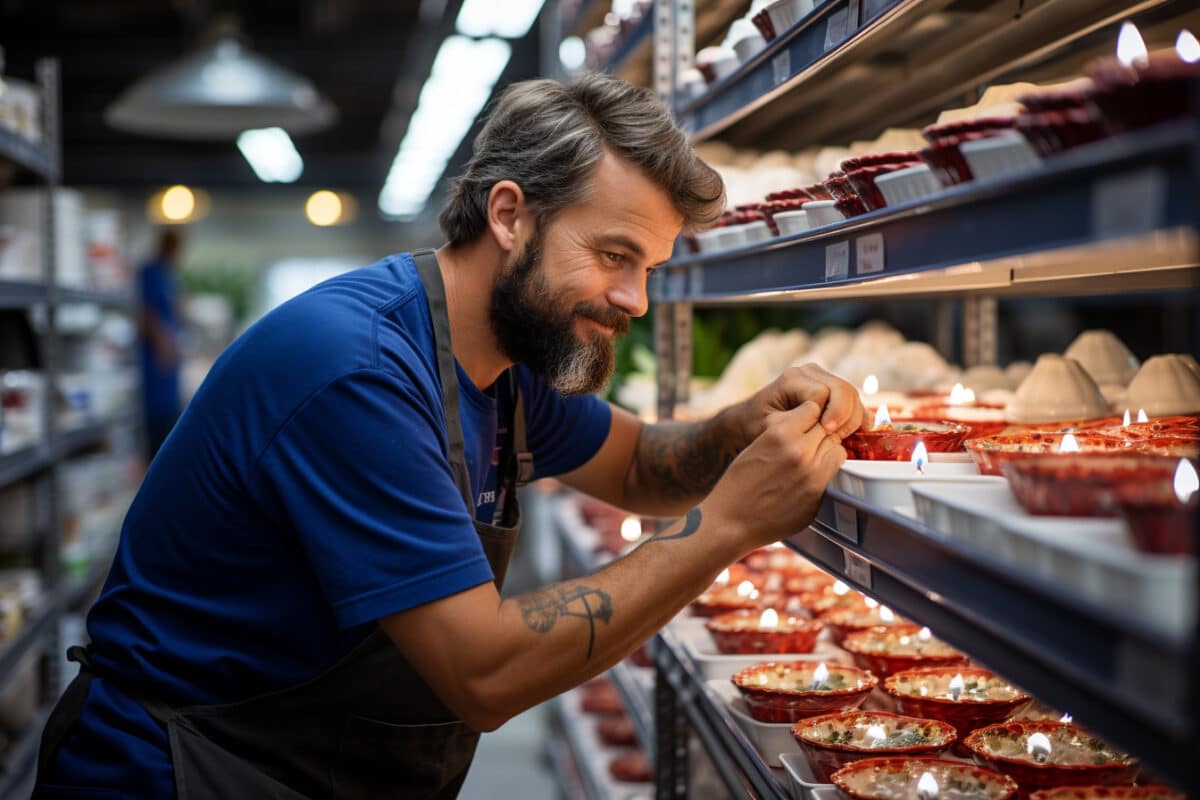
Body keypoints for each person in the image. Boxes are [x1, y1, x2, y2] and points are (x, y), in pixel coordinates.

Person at [35, 73, 865, 798]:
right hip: (183, 770)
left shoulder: (503, 362)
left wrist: (740, 428)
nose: (635, 300)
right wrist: (728, 524)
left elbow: (641, 466)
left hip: (306, 768)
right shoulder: (358, 370)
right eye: (613, 254)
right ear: (510, 214)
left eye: (646, 268)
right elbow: (485, 672)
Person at [136, 227, 184, 460]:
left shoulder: (168, 275)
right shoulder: (150, 272)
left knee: (169, 420)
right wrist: (162, 341)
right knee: (157, 422)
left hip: (168, 364)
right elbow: (146, 313)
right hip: (156, 361)